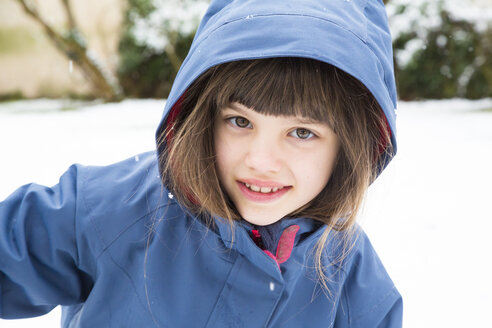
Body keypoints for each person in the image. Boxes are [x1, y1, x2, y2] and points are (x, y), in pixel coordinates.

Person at [0, 0, 402, 327]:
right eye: (240, 121)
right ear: (203, 116)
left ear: (349, 148)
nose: (261, 161)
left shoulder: (353, 281)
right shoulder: (110, 210)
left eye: (301, 133)